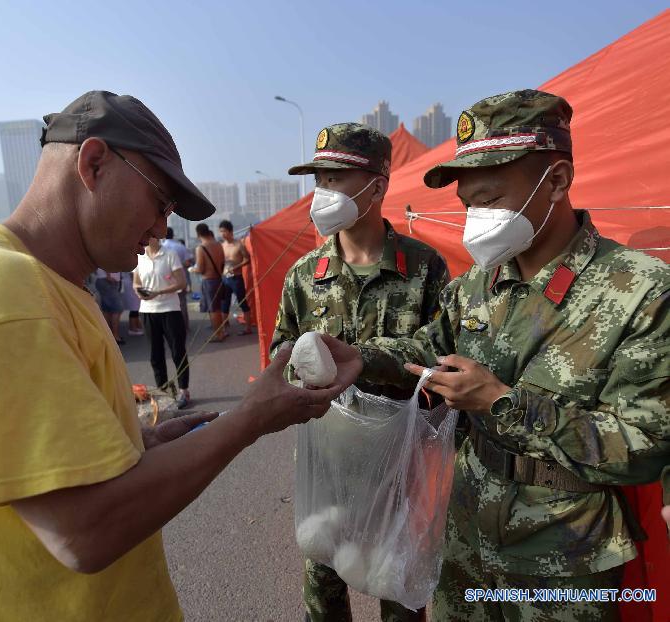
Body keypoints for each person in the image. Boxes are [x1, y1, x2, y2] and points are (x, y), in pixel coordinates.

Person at [0, 90, 362, 622]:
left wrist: (132, 444)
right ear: (94, 163)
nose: (160, 229)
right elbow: (84, 528)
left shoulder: (53, 286)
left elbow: (40, 469)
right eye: (159, 202)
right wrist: (251, 418)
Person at [352, 90, 670, 621]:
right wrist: (357, 359)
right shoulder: (478, 284)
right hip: (467, 535)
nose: (476, 217)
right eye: (468, 204)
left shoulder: (641, 291)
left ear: (558, 181)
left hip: (565, 556)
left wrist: (501, 403)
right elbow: (427, 350)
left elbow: (645, 444)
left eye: (491, 200)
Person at [270, 122, 450, 622]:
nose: (324, 193)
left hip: (398, 470)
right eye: (319, 180)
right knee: (323, 593)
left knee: (398, 590)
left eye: (337, 179)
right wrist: (301, 375)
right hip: (326, 469)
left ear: (378, 185)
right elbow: (279, 357)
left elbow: (443, 351)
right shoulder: (305, 276)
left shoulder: (424, 269)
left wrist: (373, 362)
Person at [134, 236, 191, 408]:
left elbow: (181, 283)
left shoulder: (169, 254)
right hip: (148, 311)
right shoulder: (139, 257)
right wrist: (139, 292)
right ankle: (164, 391)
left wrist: (158, 292)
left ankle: (183, 390)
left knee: (177, 351)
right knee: (155, 355)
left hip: (170, 309)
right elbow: (136, 283)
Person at [190, 223, 227, 341]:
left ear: (198, 234)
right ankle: (222, 332)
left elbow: (200, 269)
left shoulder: (201, 248)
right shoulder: (218, 245)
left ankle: (218, 334)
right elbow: (222, 263)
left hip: (209, 281)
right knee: (218, 308)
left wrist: (192, 269)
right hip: (219, 279)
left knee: (213, 310)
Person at [218, 219, 253, 335]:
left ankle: (248, 328)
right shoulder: (221, 245)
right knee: (224, 303)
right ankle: (224, 329)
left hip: (236, 278)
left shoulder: (239, 244)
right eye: (221, 231)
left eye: (224, 231)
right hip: (225, 278)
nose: (222, 234)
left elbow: (247, 259)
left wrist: (236, 266)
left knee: (242, 302)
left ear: (230, 231)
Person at [162, 226, 194, 332]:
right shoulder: (180, 246)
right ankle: (185, 326)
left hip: (166, 281)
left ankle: (172, 328)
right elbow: (189, 262)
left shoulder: (162, 247)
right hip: (181, 279)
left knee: (168, 305)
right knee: (182, 304)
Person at [95, 269, 125, 344]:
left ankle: (109, 335)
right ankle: (115, 336)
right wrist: (108, 275)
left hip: (105, 280)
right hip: (108, 280)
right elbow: (105, 262)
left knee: (107, 310)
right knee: (117, 309)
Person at [121, 272, 144, 336]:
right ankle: (132, 328)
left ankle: (136, 326)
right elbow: (133, 275)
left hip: (130, 284)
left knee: (135, 308)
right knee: (134, 308)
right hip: (131, 285)